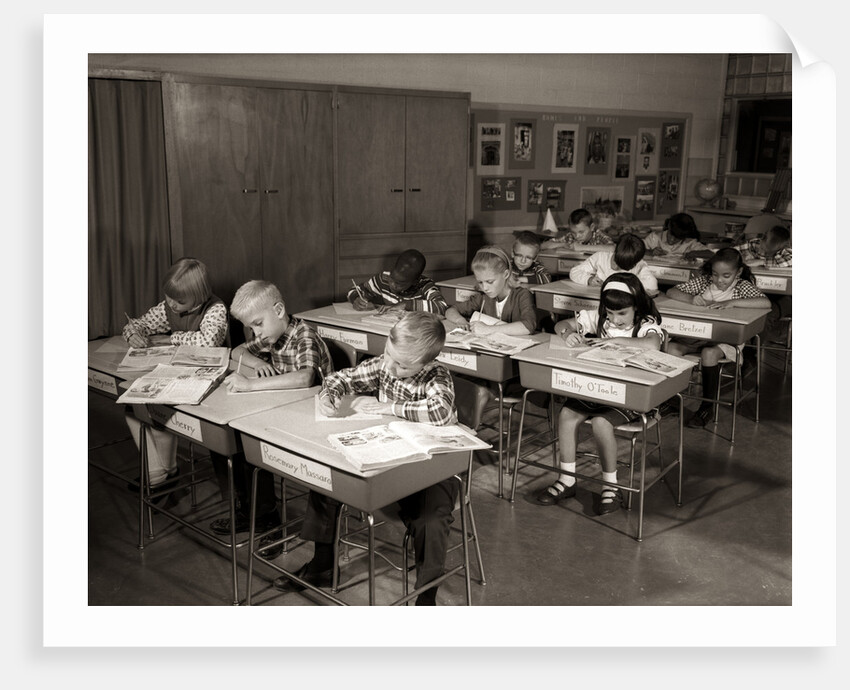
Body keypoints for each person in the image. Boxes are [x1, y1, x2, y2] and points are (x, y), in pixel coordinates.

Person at [273, 312, 458, 606]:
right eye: (388, 355)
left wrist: (392, 409)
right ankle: (322, 565)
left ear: (427, 363)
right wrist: (328, 395)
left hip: (427, 470)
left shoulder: (437, 376)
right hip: (384, 461)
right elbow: (339, 377)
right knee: (329, 473)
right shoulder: (384, 366)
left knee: (432, 520)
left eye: (403, 366)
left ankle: (426, 595)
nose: (391, 368)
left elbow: (441, 412)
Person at [207, 280, 334, 551]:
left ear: (278, 310)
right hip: (283, 412)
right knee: (229, 438)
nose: (257, 333)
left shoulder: (303, 335)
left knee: (254, 447)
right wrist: (259, 363)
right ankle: (251, 512)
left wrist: (251, 384)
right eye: (251, 327)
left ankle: (268, 519)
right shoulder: (271, 336)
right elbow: (237, 352)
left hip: (315, 422)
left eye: (258, 324)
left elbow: (304, 377)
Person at [536, 273, 665, 514]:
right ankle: (567, 479)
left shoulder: (646, 323)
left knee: (600, 423)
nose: (615, 320)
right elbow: (561, 325)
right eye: (610, 313)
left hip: (631, 396)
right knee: (566, 414)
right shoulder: (598, 317)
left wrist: (613, 343)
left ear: (636, 306)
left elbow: (652, 344)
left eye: (622, 314)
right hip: (597, 389)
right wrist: (568, 334)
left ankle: (610, 485)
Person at [122, 257, 228, 491]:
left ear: (199, 296)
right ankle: (160, 472)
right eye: (168, 296)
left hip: (209, 380)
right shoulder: (168, 307)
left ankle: (161, 475)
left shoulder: (215, 308)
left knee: (153, 408)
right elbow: (141, 323)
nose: (171, 304)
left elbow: (208, 342)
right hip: (179, 374)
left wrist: (171, 338)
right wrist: (133, 333)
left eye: (179, 300)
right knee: (133, 406)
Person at [665, 248, 771, 428]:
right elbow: (672, 292)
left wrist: (731, 302)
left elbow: (765, 302)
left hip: (724, 341)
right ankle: (670, 401)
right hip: (696, 336)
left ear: (738, 273)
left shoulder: (741, 286)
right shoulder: (704, 282)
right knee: (671, 349)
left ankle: (707, 406)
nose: (719, 280)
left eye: (726, 276)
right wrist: (691, 299)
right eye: (715, 274)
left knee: (708, 353)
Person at [444, 245, 538, 336]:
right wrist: (460, 320)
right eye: (480, 282)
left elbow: (528, 326)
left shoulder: (522, 295)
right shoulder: (483, 297)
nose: (485, 288)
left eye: (490, 281)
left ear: (506, 274)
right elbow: (451, 310)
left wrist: (488, 329)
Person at [347, 248, 448, 315]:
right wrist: (356, 299)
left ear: (415, 281)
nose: (392, 285)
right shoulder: (383, 279)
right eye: (392, 279)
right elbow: (355, 290)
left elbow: (442, 306)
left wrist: (406, 305)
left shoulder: (425, 285)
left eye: (400, 284)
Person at [569, 232, 659, 297]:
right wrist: (588, 279)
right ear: (614, 250)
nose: (616, 267)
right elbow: (575, 271)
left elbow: (652, 285)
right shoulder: (601, 257)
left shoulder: (639, 264)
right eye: (616, 261)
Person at [644, 212, 713, 260]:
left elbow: (711, 254)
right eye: (670, 234)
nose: (672, 240)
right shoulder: (655, 237)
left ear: (684, 236)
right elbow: (635, 249)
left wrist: (695, 253)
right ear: (669, 226)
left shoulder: (689, 242)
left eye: (678, 238)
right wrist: (650, 252)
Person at [541, 208, 614, 251]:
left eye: (581, 232)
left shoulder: (598, 235)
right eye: (573, 232)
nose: (577, 236)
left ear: (591, 227)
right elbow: (543, 245)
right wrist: (563, 244)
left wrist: (582, 247)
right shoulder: (570, 236)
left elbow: (613, 248)